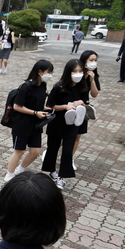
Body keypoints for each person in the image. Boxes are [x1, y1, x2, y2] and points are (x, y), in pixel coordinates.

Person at [4, 60, 54, 182]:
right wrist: (35, 113)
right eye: (48, 72)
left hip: (35, 125)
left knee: (35, 151)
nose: (50, 75)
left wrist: (44, 109)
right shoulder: (26, 87)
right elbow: (17, 106)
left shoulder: (42, 86)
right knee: (19, 151)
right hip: (22, 124)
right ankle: (9, 175)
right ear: (39, 72)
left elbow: (36, 103)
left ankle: (20, 170)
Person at [41, 59, 87, 190]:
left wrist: (81, 103)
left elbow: (85, 102)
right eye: (75, 71)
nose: (78, 74)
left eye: (80, 71)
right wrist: (66, 106)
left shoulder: (82, 86)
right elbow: (50, 105)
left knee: (67, 151)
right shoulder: (59, 87)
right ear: (68, 72)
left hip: (73, 124)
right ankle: (51, 171)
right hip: (57, 122)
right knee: (52, 148)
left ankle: (61, 177)